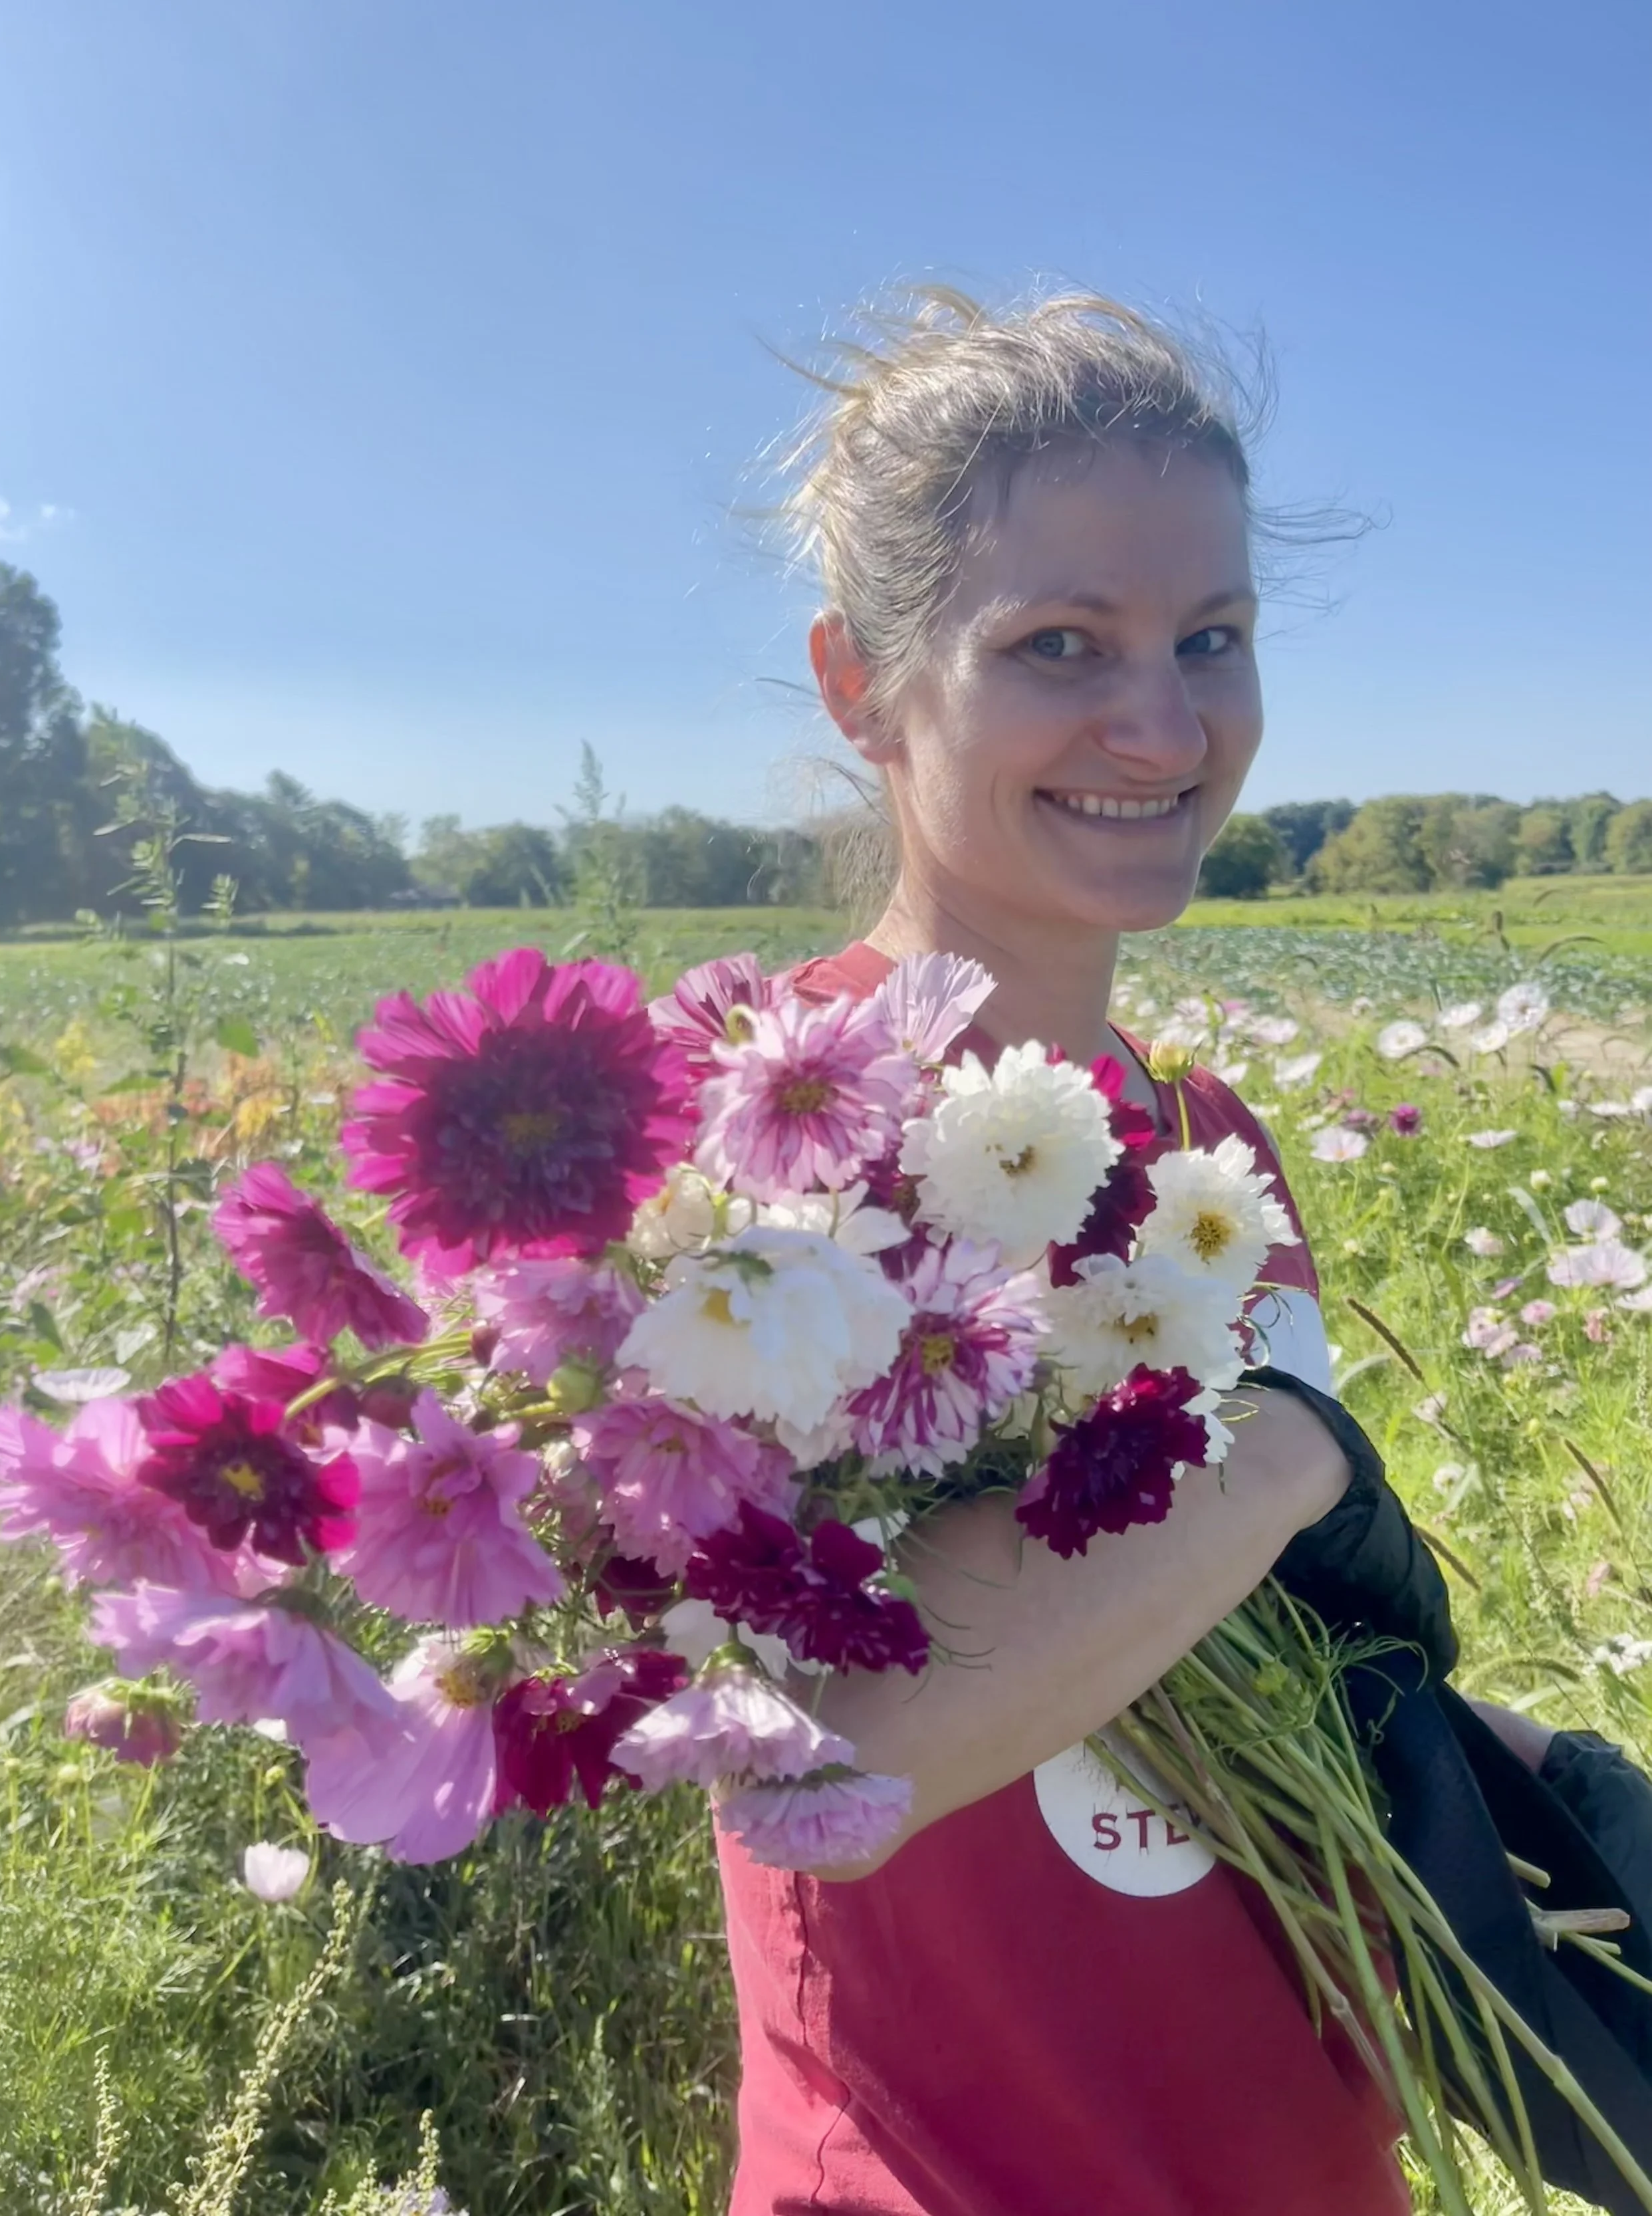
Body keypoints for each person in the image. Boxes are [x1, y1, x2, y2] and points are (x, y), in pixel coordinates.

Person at [709, 288, 1536, 2216]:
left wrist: (1507, 1773)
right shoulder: (769, 1133)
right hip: (942, 2170)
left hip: (1297, 2145)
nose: (1161, 725)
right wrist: (1288, 1446)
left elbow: (1252, 1634)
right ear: (861, 682)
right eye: (1058, 643)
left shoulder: (1203, 1138)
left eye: (1210, 639)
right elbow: (828, 1759)